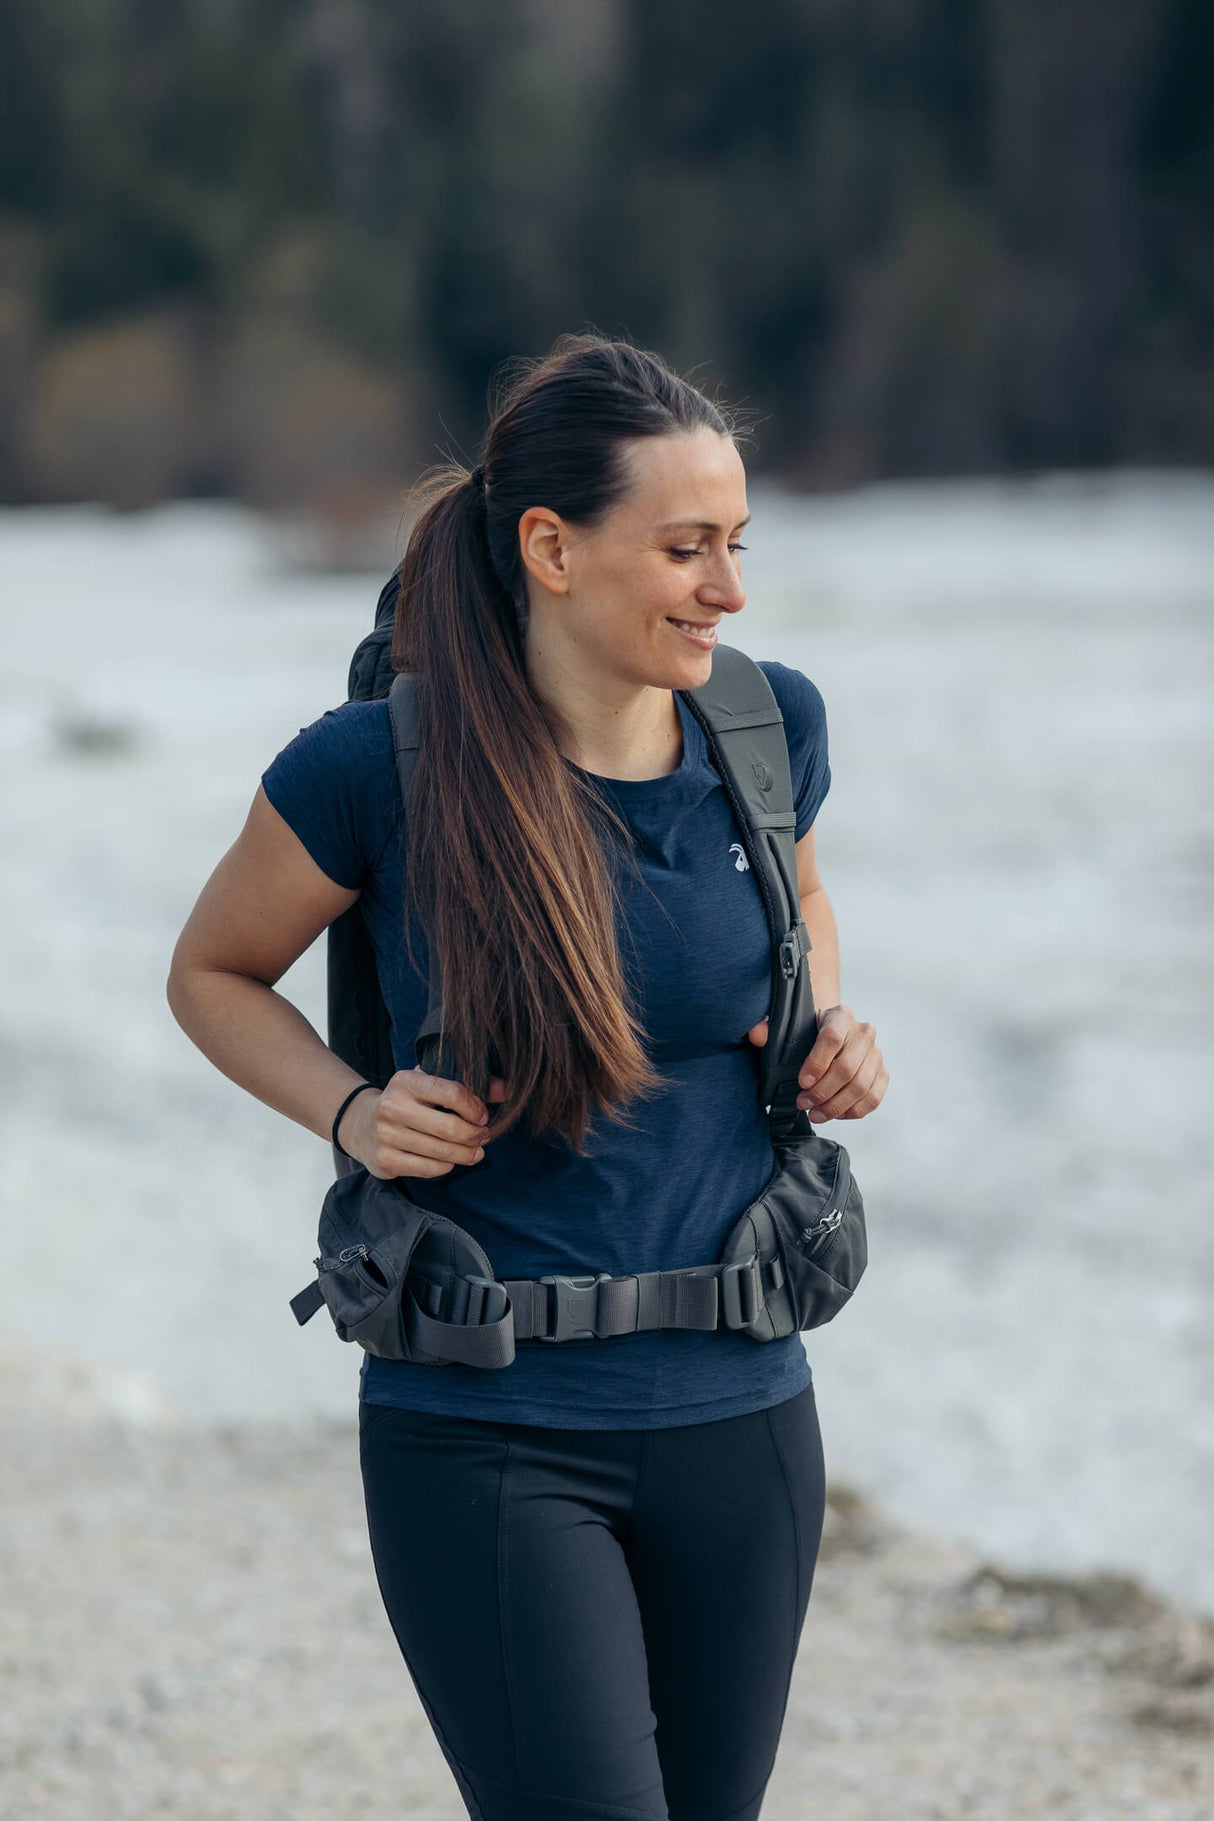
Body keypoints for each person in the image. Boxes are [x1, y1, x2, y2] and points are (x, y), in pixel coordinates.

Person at [166, 331, 888, 1821]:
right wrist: (352, 1110)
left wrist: (824, 1021)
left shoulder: (767, 729)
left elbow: (802, 902)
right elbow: (212, 973)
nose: (728, 588)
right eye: (685, 547)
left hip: (746, 1407)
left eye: (738, 543)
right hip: (486, 1431)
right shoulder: (372, 768)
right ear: (552, 550)